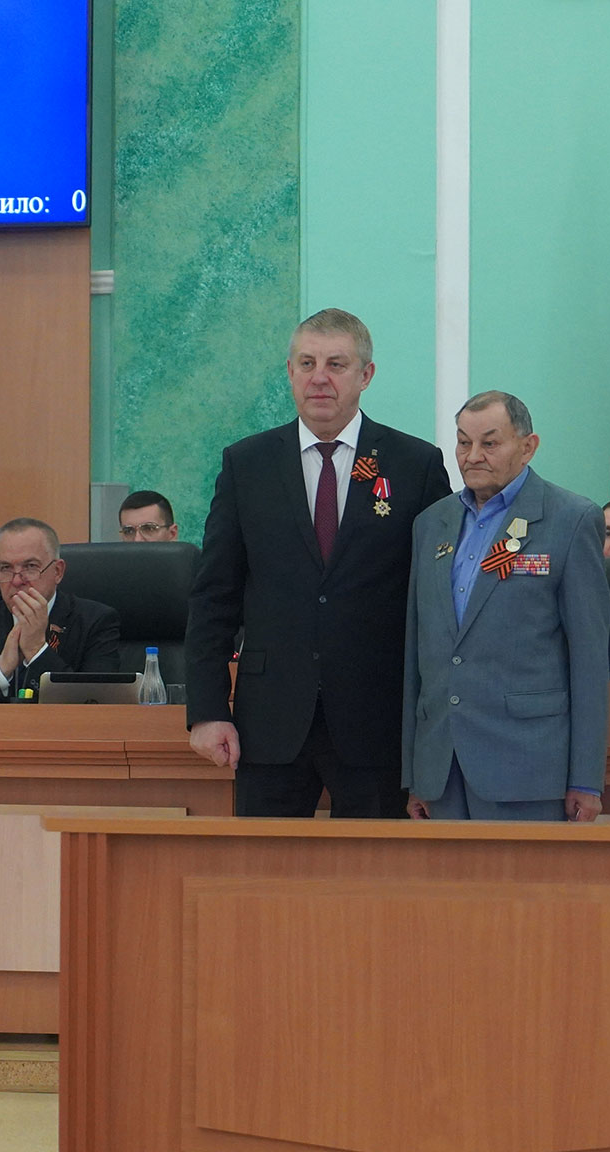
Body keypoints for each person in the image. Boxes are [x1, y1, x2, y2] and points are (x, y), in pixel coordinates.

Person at [185, 308, 450, 817]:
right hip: (269, 724)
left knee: (374, 866)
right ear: (290, 372)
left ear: (366, 375)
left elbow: (436, 605)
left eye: (336, 364)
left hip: (377, 725)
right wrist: (208, 711)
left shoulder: (414, 464)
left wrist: (432, 725)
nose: (320, 377)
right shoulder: (247, 464)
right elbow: (213, 596)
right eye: (307, 363)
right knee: (264, 866)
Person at [402, 392, 608, 821]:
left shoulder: (570, 519)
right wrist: (415, 774)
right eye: (463, 442)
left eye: (490, 443)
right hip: (441, 766)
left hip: (528, 765)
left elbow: (589, 660)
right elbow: (417, 654)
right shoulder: (431, 523)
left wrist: (586, 778)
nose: (473, 456)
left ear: (528, 447)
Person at [0, 518, 120, 701]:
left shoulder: (96, 620)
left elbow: (96, 703)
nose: (17, 581)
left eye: (30, 567)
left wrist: (37, 651)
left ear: (58, 571)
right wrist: (0, 669)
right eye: (6, 568)